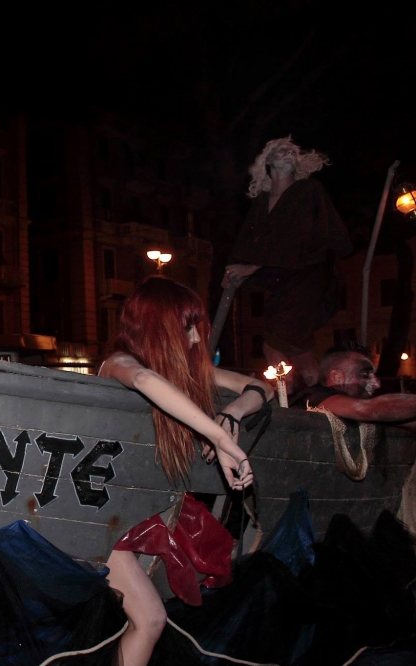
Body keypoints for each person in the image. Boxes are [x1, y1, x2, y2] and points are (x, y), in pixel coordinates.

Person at [99, 277, 273, 666]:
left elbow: (259, 386)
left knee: (154, 618)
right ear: (157, 327)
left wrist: (232, 412)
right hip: (103, 511)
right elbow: (143, 379)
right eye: (186, 327)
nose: (195, 339)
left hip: (142, 511)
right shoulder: (117, 362)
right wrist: (222, 439)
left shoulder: (183, 374)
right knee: (150, 618)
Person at [223, 137, 352, 392]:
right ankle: (325, 397)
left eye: (291, 151)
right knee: (298, 347)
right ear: (267, 161)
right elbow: (248, 241)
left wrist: (253, 268)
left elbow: (299, 236)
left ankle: (286, 400)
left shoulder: (308, 191)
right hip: (283, 283)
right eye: (279, 150)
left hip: (309, 276)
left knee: (274, 344)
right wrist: (232, 272)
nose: (287, 153)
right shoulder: (262, 201)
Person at [291, 343, 416, 430]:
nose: (377, 383)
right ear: (336, 377)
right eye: (365, 374)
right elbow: (368, 409)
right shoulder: (314, 397)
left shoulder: (351, 411)